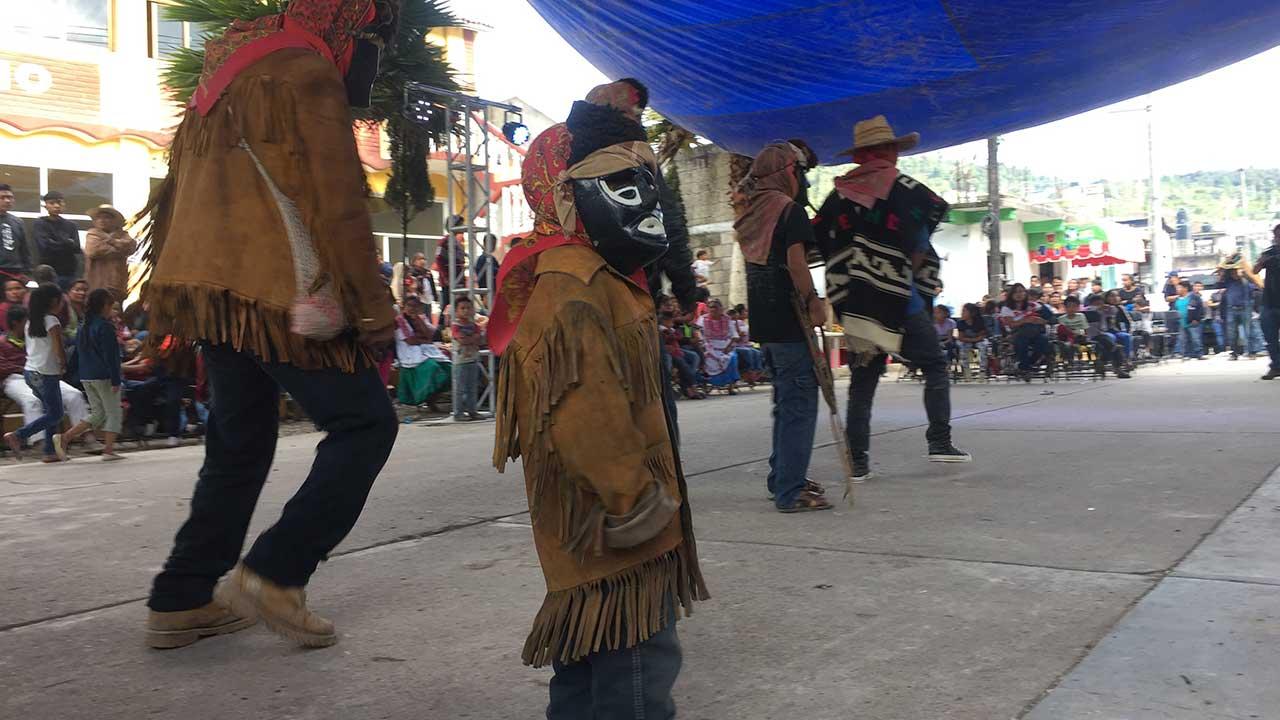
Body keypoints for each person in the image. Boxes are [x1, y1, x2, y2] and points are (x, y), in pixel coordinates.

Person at [140, 0, 401, 650]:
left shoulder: (222, 71)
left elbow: (169, 190)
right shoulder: (307, 72)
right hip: (275, 294)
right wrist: (372, 311)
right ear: (351, 21)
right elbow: (338, 206)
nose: (370, 56)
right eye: (372, 38)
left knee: (238, 445)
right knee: (366, 424)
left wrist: (172, 298)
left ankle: (181, 596)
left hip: (210, 291)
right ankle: (276, 572)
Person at [488, 114, 707, 717]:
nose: (651, 202)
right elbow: (585, 408)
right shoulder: (572, 282)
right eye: (629, 184)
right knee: (635, 660)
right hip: (612, 520)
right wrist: (634, 500)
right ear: (566, 192)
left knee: (588, 658)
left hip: (596, 518)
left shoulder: (599, 273)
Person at [813, 115, 970, 484]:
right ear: (887, 151)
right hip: (902, 300)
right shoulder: (906, 189)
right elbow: (918, 244)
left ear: (859, 156)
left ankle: (858, 462)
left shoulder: (837, 196)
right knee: (933, 365)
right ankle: (939, 441)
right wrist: (897, 272)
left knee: (863, 381)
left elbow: (821, 243)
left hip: (859, 307)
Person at [735, 141, 833, 510]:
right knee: (799, 404)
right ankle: (790, 490)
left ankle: (784, 475)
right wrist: (814, 301)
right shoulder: (788, 210)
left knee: (785, 403)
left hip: (765, 323)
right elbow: (796, 263)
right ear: (787, 173)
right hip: (791, 319)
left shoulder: (752, 212)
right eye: (799, 172)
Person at [0, 303, 91, 447]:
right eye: (25, 322)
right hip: (14, 379)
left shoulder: (34, 337)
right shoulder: (2, 342)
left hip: (41, 373)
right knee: (32, 400)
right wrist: (22, 367)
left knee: (74, 394)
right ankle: (39, 443)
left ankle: (86, 436)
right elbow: (2, 366)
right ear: (15, 323)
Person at [4, 284, 69, 462]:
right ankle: (18, 435)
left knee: (50, 411)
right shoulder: (52, 321)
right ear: (54, 301)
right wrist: (63, 365)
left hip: (30, 372)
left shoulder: (31, 321)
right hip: (46, 373)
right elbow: (58, 348)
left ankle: (49, 452)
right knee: (55, 413)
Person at [60, 289, 124, 460]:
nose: (112, 310)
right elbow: (111, 357)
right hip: (104, 376)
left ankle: (65, 437)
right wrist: (116, 379)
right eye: (111, 306)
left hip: (87, 375)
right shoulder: (105, 327)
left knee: (98, 413)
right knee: (113, 412)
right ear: (104, 306)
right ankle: (109, 450)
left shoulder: (83, 326)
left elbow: (78, 353)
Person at [394, 295, 450, 410]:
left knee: (449, 368)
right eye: (409, 306)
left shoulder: (421, 318)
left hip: (426, 350)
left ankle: (432, 401)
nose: (412, 309)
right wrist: (422, 340)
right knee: (433, 368)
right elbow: (410, 341)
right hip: (410, 353)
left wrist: (418, 321)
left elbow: (429, 336)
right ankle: (423, 399)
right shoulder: (399, 321)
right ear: (403, 306)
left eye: (415, 306)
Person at [84, 205, 138, 302]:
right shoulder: (92, 234)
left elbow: (131, 247)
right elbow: (93, 251)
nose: (102, 220)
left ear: (114, 221)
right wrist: (118, 248)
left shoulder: (123, 235)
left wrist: (111, 242)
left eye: (106, 217)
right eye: (99, 217)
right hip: (97, 284)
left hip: (118, 284)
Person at [32, 191, 83, 290]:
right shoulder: (40, 223)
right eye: (52, 203)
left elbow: (76, 247)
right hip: (48, 272)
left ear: (64, 204)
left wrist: (55, 243)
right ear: (46, 206)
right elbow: (45, 247)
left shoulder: (71, 225)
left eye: (59, 202)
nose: (56, 206)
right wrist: (67, 243)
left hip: (69, 271)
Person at [999, 283, 1052, 377]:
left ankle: (1026, 365)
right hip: (1016, 333)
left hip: (1035, 331)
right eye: (1016, 292)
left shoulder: (1033, 305)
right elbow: (1011, 324)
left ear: (1025, 293)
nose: (1019, 294)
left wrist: (1040, 320)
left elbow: (1049, 318)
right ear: (1011, 295)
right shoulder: (1006, 308)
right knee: (1022, 339)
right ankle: (1025, 366)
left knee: (1043, 341)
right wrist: (1025, 320)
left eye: (1021, 291)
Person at [1218, 254, 1262, 360]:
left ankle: (1251, 352)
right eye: (1232, 271)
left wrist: (1243, 274)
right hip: (1231, 309)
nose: (1234, 273)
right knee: (1232, 333)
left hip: (1245, 308)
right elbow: (1220, 272)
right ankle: (1234, 353)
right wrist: (1228, 260)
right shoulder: (1228, 281)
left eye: (1236, 270)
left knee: (1248, 331)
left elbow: (1253, 287)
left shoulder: (1246, 281)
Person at [450, 295, 484, 421]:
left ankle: (472, 411)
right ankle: (458, 413)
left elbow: (479, 338)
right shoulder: (455, 325)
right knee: (460, 389)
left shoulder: (474, 325)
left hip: (473, 360)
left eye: (468, 308)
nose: (466, 311)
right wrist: (472, 338)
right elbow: (461, 339)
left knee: (472, 388)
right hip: (460, 362)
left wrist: (471, 339)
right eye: (462, 308)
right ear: (456, 311)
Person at [696, 298, 741, 391]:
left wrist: (728, 348)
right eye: (711, 307)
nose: (713, 309)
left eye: (715, 307)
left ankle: (731, 387)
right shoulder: (703, 319)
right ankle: (709, 382)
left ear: (721, 308)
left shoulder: (727, 319)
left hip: (726, 346)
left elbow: (735, 336)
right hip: (709, 346)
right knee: (707, 358)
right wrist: (702, 342)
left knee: (732, 357)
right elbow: (697, 330)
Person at [1255, 224, 1280, 379]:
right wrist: (1262, 261)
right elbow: (1254, 270)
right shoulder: (1269, 253)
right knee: (1270, 337)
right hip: (1269, 301)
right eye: (1277, 235)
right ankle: (1276, 366)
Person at [661, 311, 704, 399]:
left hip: (678, 351)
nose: (672, 323)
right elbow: (673, 338)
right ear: (665, 322)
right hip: (671, 352)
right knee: (684, 366)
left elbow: (679, 336)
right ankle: (692, 388)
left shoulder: (672, 329)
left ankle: (687, 386)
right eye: (670, 321)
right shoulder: (663, 330)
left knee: (694, 358)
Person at [0, 183, 33, 281]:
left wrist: (28, 271)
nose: (7, 200)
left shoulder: (18, 222)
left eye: (10, 197)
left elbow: (25, 249)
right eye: (2, 197)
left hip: (15, 271)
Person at [1173, 281, 1205, 359]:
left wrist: (1196, 319)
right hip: (1182, 322)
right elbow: (1176, 309)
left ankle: (1199, 354)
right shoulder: (1177, 299)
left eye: (1179, 288)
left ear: (1185, 288)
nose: (1177, 289)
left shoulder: (1193, 297)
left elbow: (1199, 309)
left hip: (1192, 321)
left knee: (1195, 338)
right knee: (1184, 339)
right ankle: (1187, 354)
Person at [955, 303, 989, 378]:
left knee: (981, 347)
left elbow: (982, 335)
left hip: (979, 340)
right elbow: (960, 337)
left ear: (972, 313)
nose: (962, 313)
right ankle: (967, 369)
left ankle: (981, 369)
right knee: (964, 347)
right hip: (965, 340)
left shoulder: (979, 321)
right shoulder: (960, 323)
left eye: (964, 311)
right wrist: (971, 340)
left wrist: (975, 340)